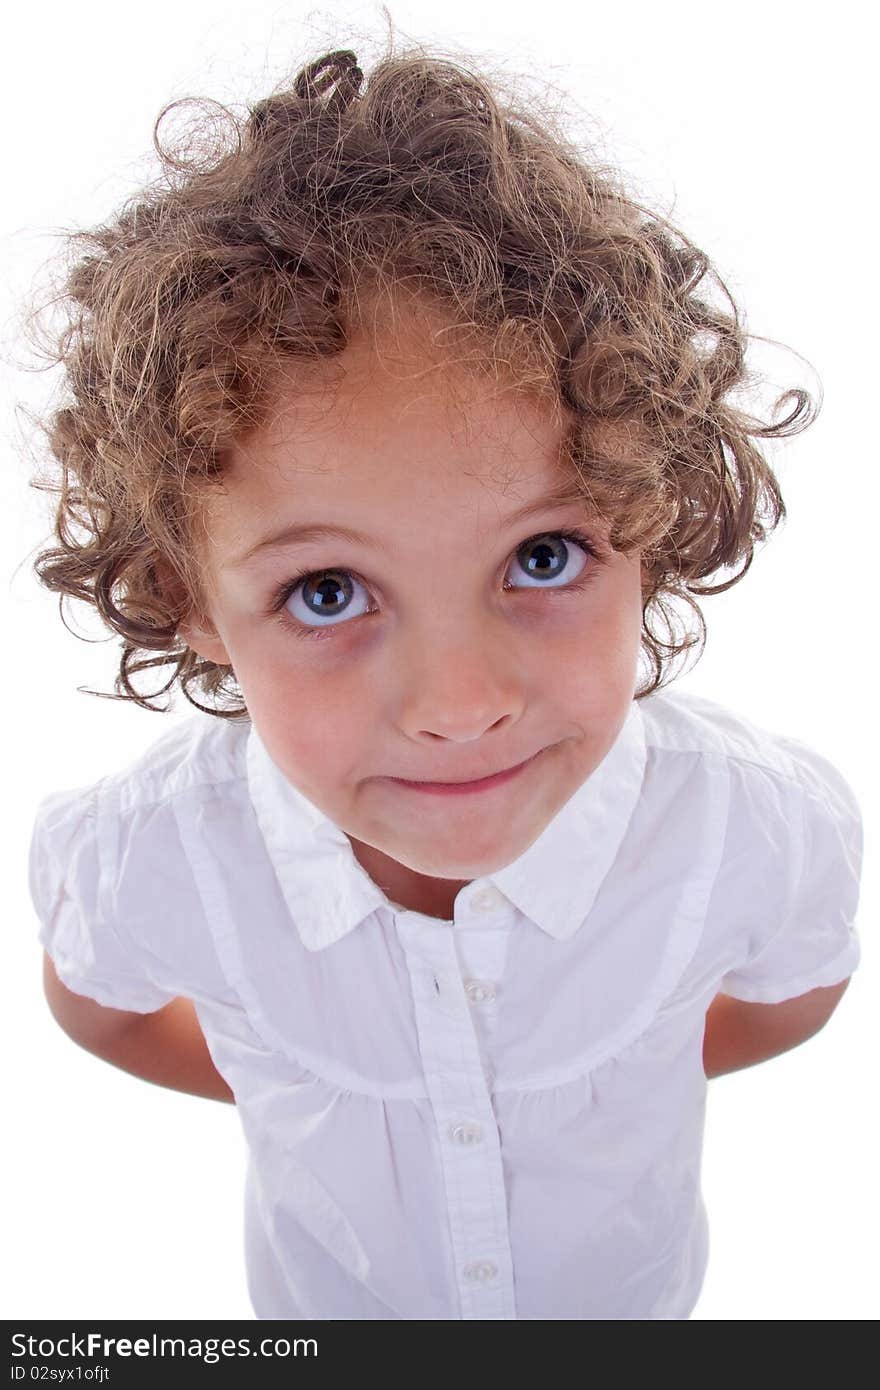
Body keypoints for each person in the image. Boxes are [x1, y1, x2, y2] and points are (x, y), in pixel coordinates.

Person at [25, 34, 863, 1320]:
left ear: (645, 517)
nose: (457, 700)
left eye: (541, 554)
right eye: (327, 593)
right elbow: (106, 1012)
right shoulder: (154, 856)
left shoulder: (749, 825)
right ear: (191, 600)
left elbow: (787, 1003)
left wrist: (616, 1061)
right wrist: (309, 1073)